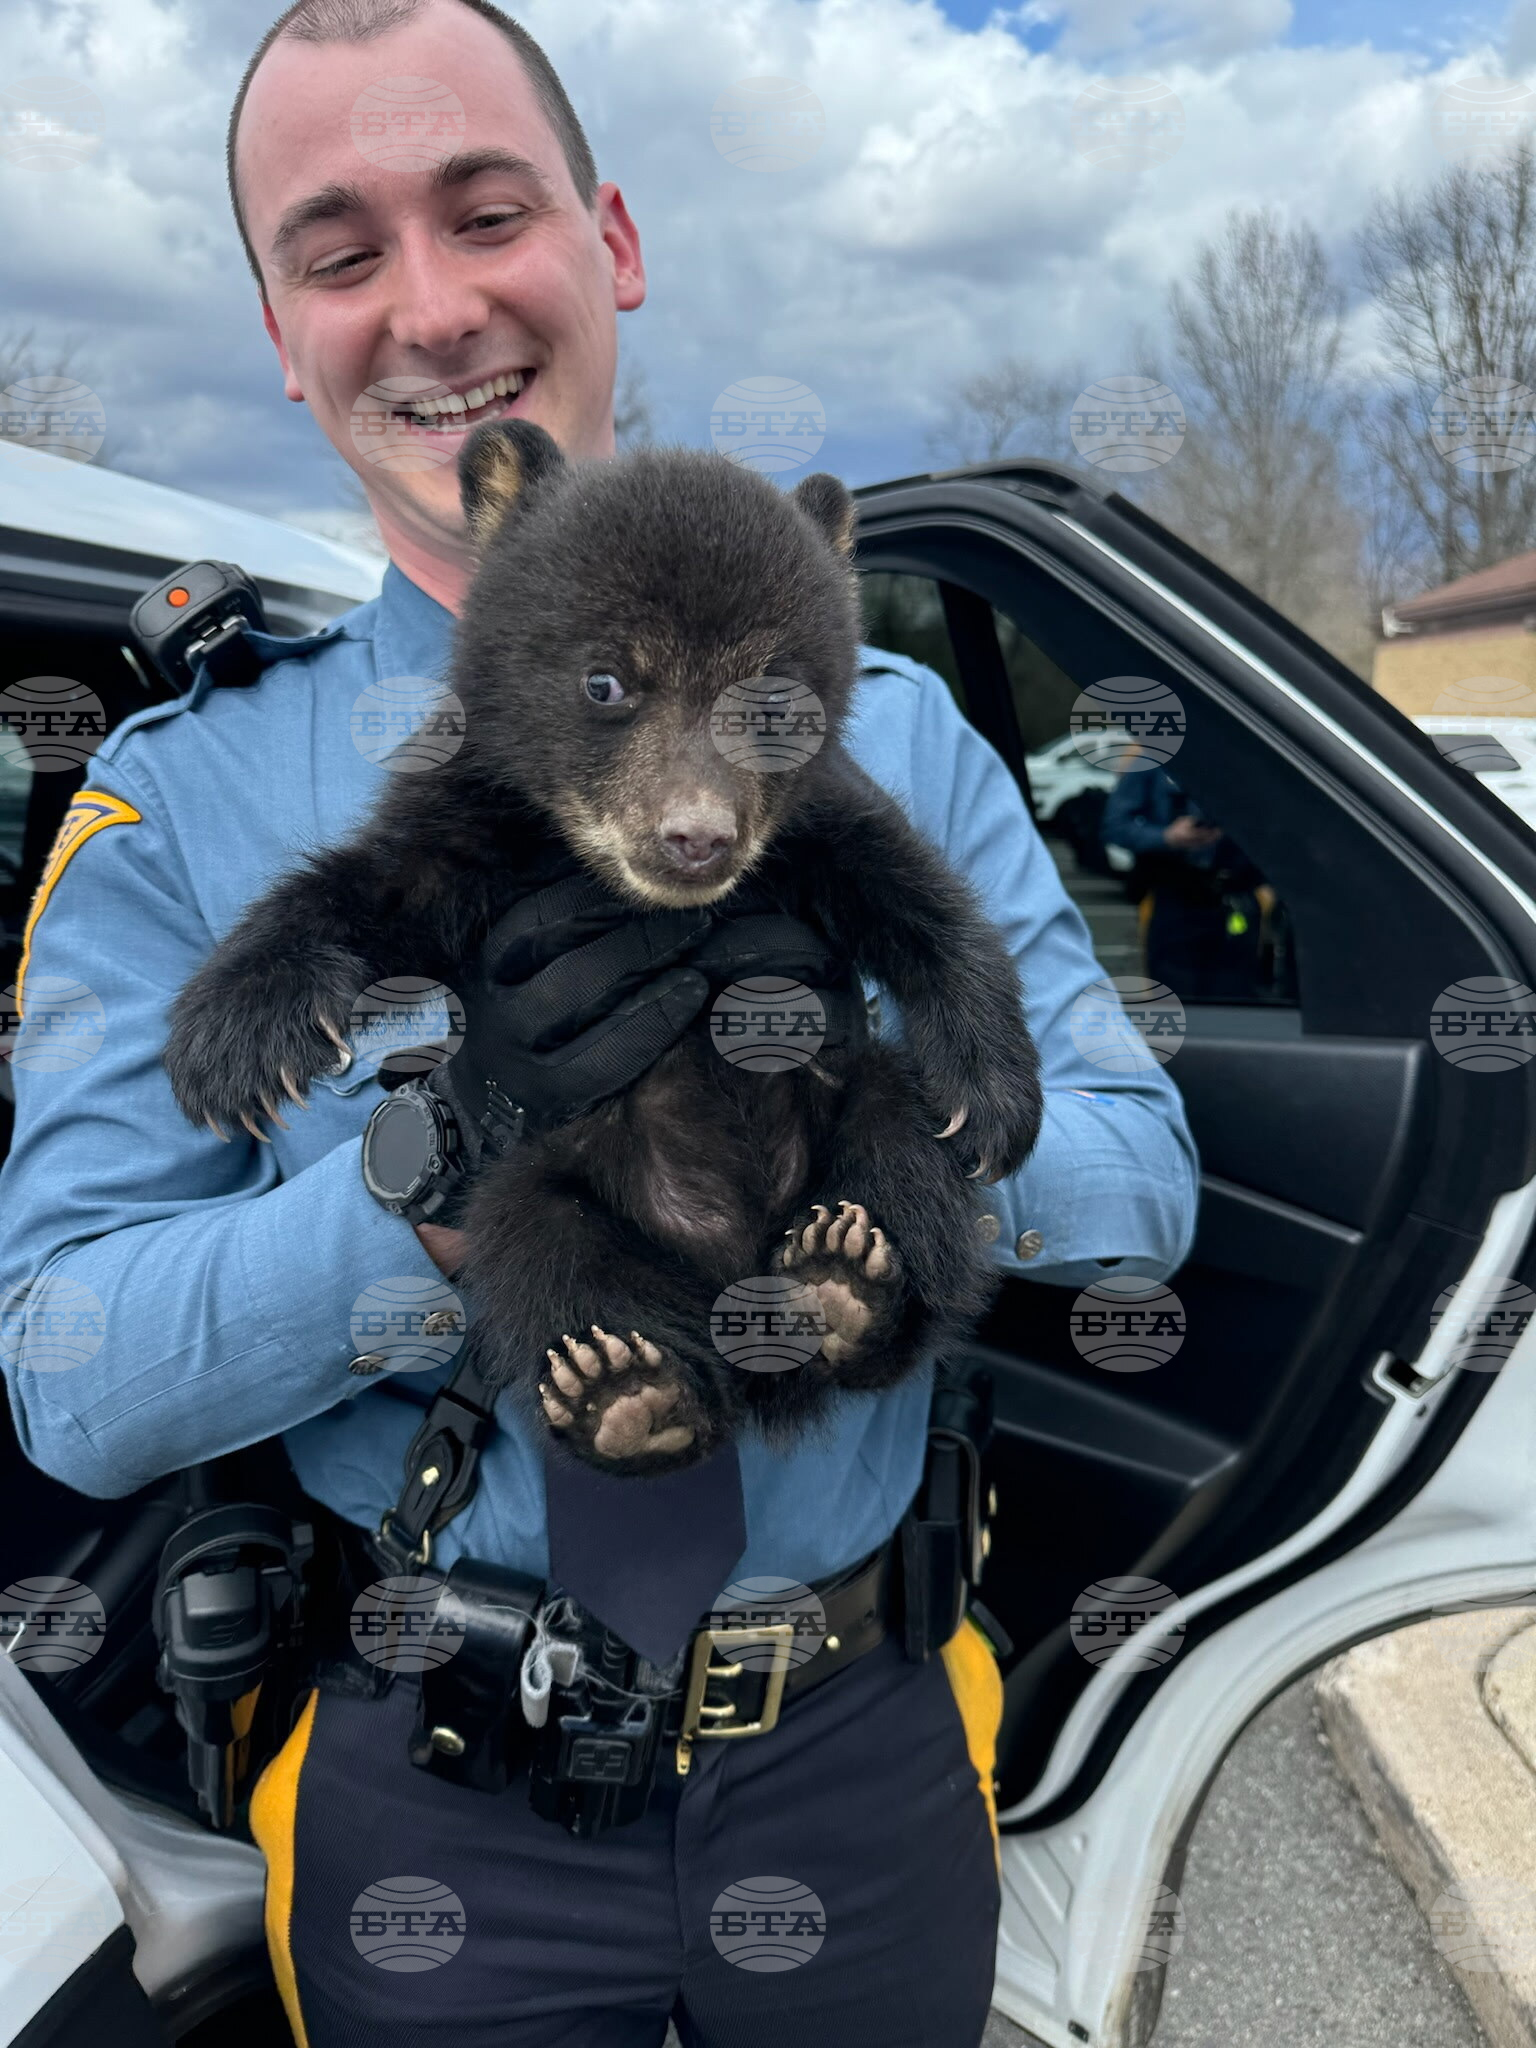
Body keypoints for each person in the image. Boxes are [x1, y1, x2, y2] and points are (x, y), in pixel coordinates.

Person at [0, 4, 1199, 2043]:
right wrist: (437, 1202)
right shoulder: (188, 795)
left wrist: (869, 1121)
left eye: (487, 211)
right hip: (439, 1775)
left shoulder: (889, 735)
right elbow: (72, 1377)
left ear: (611, 237)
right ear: (281, 328)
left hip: (863, 1740)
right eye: (342, 250)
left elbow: (1135, 1184)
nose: (437, 305)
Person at [1100, 756, 1269, 1002]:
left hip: (1236, 898)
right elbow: (1114, 826)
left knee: (1236, 1003)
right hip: (1176, 899)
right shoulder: (1152, 762)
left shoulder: (1250, 761)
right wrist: (1166, 837)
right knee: (1177, 1003)